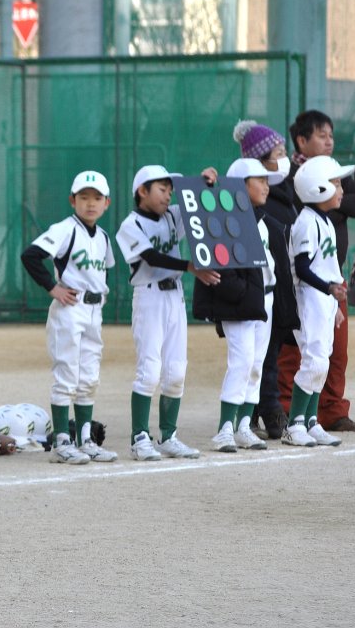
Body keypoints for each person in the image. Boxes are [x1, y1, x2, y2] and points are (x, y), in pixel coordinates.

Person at [115, 165, 220, 461]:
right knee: (149, 370)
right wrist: (189, 266)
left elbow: (198, 207)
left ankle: (168, 436)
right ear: (142, 191)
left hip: (175, 297)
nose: (168, 195)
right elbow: (150, 256)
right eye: (162, 189)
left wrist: (206, 183)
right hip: (149, 297)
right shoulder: (130, 225)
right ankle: (139, 438)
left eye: (170, 190)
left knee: (176, 371)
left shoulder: (172, 216)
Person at [194, 158, 293, 452]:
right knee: (241, 362)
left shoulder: (267, 223)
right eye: (259, 180)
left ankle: (242, 427)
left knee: (256, 365)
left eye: (267, 180)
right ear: (239, 185)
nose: (266, 186)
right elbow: (202, 218)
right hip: (241, 303)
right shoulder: (226, 220)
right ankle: (224, 428)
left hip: (267, 300)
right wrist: (240, 293)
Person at [20, 170, 118, 464]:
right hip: (70, 310)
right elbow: (30, 255)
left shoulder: (103, 237)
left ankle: (85, 440)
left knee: (89, 377)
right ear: (72, 200)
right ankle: (62, 442)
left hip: (93, 311)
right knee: (67, 376)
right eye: (84, 197)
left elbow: (104, 271)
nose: (90, 203)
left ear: (107, 203)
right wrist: (53, 288)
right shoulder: (66, 229)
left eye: (97, 198)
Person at [276, 110, 355, 433]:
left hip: (332, 279)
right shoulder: (290, 176)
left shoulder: (331, 176)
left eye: (331, 135)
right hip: (307, 285)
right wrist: (333, 199)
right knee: (298, 351)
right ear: (301, 140)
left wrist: (335, 197)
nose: (329, 141)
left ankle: (328, 412)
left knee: (332, 352)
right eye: (321, 135)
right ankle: (289, 412)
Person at [231, 120, 298, 439]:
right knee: (257, 358)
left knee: (268, 355)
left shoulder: (284, 191)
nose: (285, 158)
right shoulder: (252, 203)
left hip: (279, 287)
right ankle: (266, 412)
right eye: (278, 153)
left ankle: (259, 410)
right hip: (255, 292)